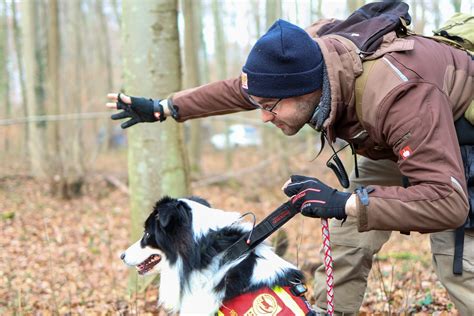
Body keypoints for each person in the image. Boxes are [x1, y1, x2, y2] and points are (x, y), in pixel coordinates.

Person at [107, 14, 474, 315]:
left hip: (453, 140)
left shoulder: (400, 96)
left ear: (305, 91)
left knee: (456, 263)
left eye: (271, 107)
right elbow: (244, 88)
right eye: (261, 106)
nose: (265, 117)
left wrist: (342, 201)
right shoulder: (303, 54)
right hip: (386, 139)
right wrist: (166, 107)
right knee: (348, 237)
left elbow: (448, 202)